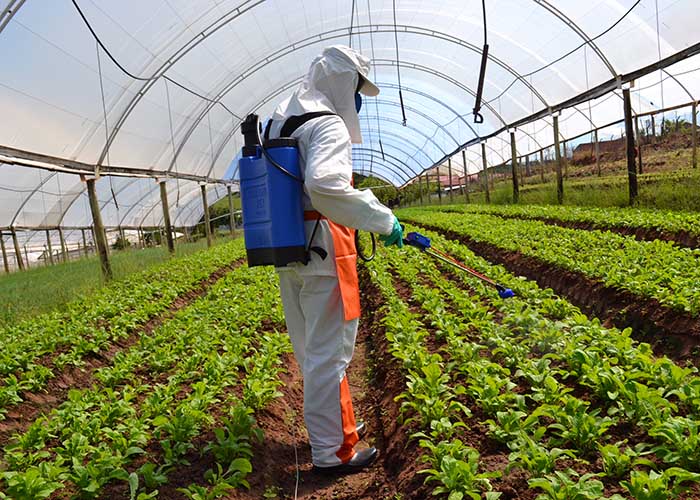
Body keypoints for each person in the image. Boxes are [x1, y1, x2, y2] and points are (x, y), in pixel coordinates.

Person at [264, 45, 403, 474]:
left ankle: (336, 427)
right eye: (358, 89)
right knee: (330, 354)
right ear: (343, 84)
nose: (358, 101)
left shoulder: (280, 119)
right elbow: (324, 187)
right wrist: (383, 219)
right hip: (324, 247)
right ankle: (331, 453)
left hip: (289, 249)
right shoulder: (327, 125)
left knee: (312, 352)